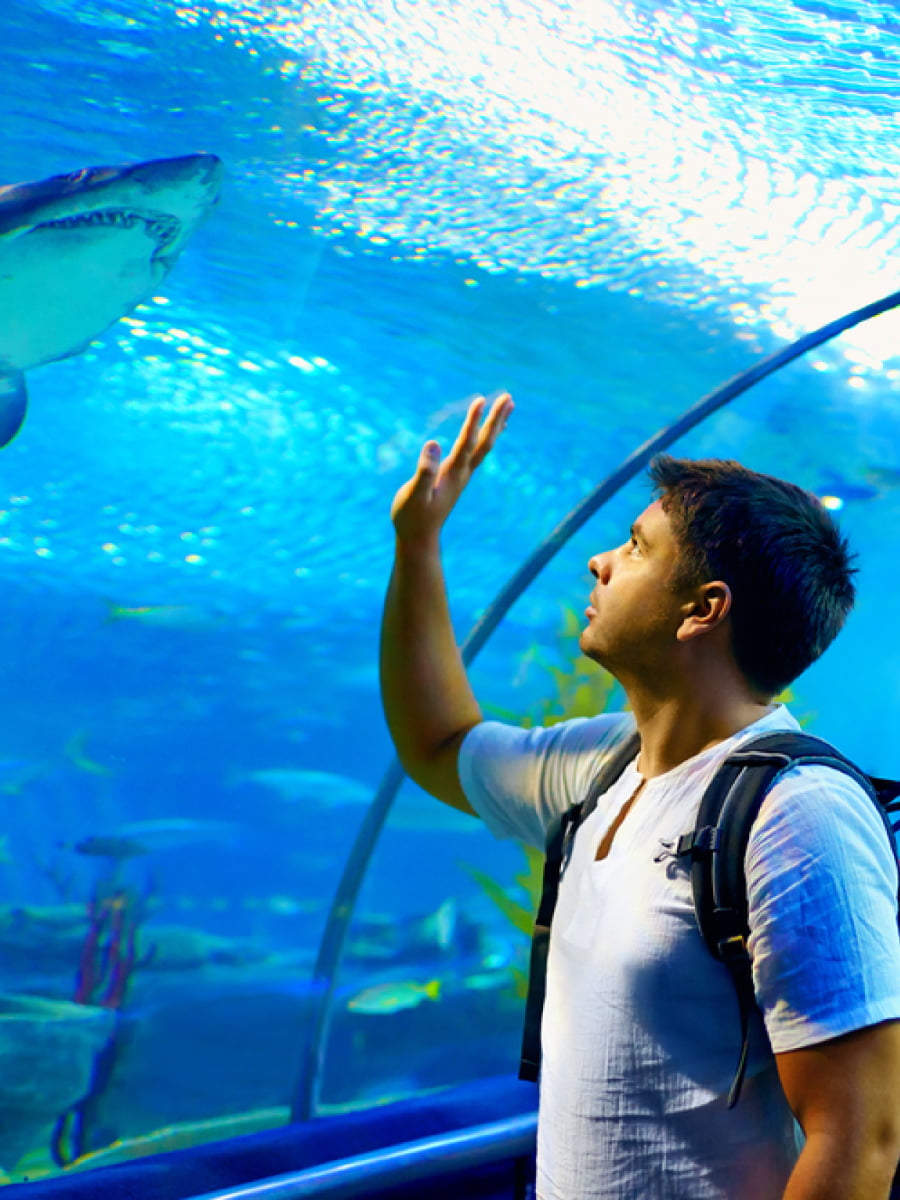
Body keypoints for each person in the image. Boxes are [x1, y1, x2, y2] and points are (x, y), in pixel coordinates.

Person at [379, 391, 900, 1200]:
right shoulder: (599, 762)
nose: (601, 561)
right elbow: (440, 746)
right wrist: (418, 546)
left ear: (704, 609)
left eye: (635, 546)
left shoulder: (796, 812)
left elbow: (859, 1139)